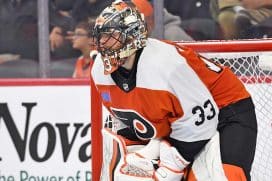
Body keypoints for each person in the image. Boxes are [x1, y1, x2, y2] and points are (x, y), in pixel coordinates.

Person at [91, 1, 257, 180]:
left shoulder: (166, 65)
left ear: (132, 36)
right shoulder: (99, 70)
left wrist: (173, 165)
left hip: (227, 110)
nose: (102, 43)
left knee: (226, 175)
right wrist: (146, 150)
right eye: (100, 36)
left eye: (110, 36)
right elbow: (128, 119)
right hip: (183, 119)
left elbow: (200, 123)